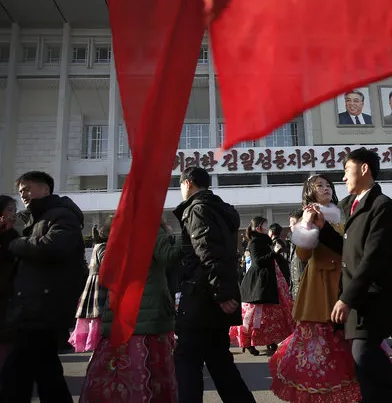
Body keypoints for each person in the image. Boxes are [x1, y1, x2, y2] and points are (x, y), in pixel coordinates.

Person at [311, 147, 392, 402]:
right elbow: (348, 249)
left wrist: (347, 298)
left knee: (363, 354)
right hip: (356, 293)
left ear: (364, 168)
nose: (344, 178)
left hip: (372, 294)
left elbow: (374, 257)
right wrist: (322, 230)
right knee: (363, 362)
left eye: (347, 170)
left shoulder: (382, 206)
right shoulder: (349, 205)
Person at [270, 174, 361, 403]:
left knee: (347, 342)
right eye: (319, 185)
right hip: (319, 287)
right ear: (310, 191)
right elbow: (302, 254)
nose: (326, 188)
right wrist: (308, 224)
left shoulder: (342, 213)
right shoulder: (306, 216)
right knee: (318, 346)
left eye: (328, 185)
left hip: (344, 282)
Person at [0, 171, 87, 403]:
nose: (23, 195)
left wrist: (15, 242)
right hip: (32, 307)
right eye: (20, 192)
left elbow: (53, 247)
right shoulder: (35, 219)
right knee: (44, 373)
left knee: (17, 372)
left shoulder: (61, 216)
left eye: (28, 188)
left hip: (42, 308)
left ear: (46, 189)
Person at [172, 167, 254, 403]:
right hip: (213, 295)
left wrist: (221, 293)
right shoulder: (219, 210)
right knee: (218, 359)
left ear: (188, 183)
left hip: (202, 295)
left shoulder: (197, 209)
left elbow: (207, 250)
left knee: (187, 358)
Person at [79, 221, 182, 402]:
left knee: (117, 370)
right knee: (148, 372)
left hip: (121, 309)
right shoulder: (149, 225)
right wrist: (184, 236)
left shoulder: (122, 227)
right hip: (147, 315)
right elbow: (168, 256)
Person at [231, 217, 295, 355]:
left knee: (270, 315)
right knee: (254, 315)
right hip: (257, 285)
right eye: (265, 225)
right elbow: (258, 262)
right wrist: (274, 253)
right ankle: (248, 342)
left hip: (269, 283)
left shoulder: (266, 242)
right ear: (259, 227)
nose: (267, 227)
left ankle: (270, 340)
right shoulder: (254, 243)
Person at [68, 217, 111, 353]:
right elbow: (107, 265)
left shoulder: (96, 247)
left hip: (93, 286)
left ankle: (94, 345)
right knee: (98, 315)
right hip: (100, 286)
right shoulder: (103, 247)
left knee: (94, 316)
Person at [0, 196, 18, 368]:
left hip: (8, 296)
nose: (13, 214)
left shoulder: (13, 235)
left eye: (14, 210)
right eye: (10, 210)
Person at [287, 209, 307, 299]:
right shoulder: (293, 242)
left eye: (292, 223)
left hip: (306, 290)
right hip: (296, 290)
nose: (290, 226)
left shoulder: (306, 240)